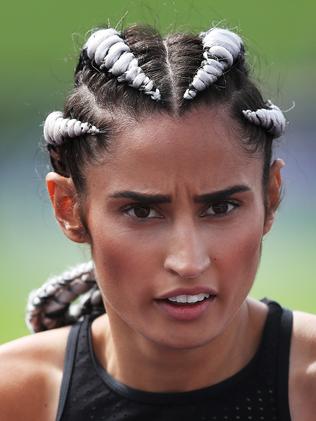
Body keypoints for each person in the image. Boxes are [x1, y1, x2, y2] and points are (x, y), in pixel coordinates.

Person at [0, 23, 315, 421]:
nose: (188, 261)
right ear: (69, 208)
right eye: (142, 212)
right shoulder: (15, 398)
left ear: (270, 198)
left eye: (221, 208)